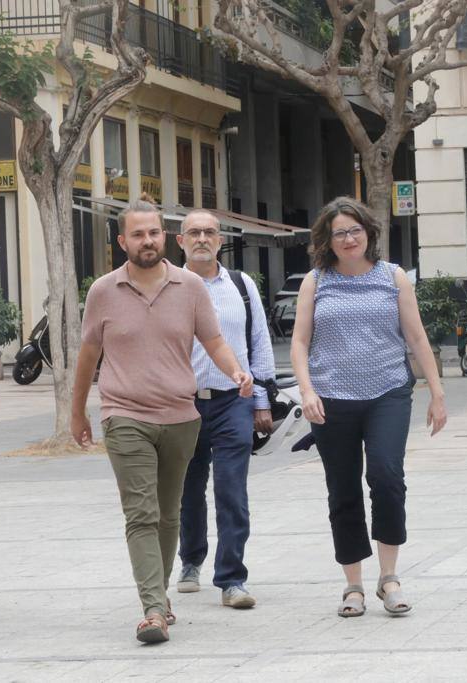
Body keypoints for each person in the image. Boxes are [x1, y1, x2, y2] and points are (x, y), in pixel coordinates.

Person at [70, 199, 253, 644]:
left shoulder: (191, 287)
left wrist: (236, 370)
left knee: (169, 515)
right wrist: (77, 411)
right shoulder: (103, 292)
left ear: (165, 237)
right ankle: (152, 608)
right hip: (124, 414)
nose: (146, 241)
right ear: (122, 241)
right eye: (137, 234)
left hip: (179, 416)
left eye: (152, 232)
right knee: (142, 513)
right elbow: (89, 356)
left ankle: (160, 594)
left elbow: (213, 339)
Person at [291, 196, 447, 618]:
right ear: (327, 239)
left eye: (354, 230)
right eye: (339, 232)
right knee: (342, 489)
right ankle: (353, 584)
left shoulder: (392, 277)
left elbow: (415, 337)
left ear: (369, 233)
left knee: (386, 476)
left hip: (387, 393)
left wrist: (436, 391)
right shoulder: (315, 281)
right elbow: (300, 342)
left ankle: (390, 578)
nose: (348, 238)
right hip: (331, 398)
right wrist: (307, 391)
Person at [173, 210, 275, 609]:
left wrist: (262, 401)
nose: (202, 238)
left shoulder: (241, 285)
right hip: (183, 402)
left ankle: (232, 578)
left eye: (210, 232)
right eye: (194, 232)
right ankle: (190, 560)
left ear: (220, 240)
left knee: (232, 489)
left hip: (235, 400)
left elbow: (259, 343)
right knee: (188, 489)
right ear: (180, 241)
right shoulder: (170, 284)